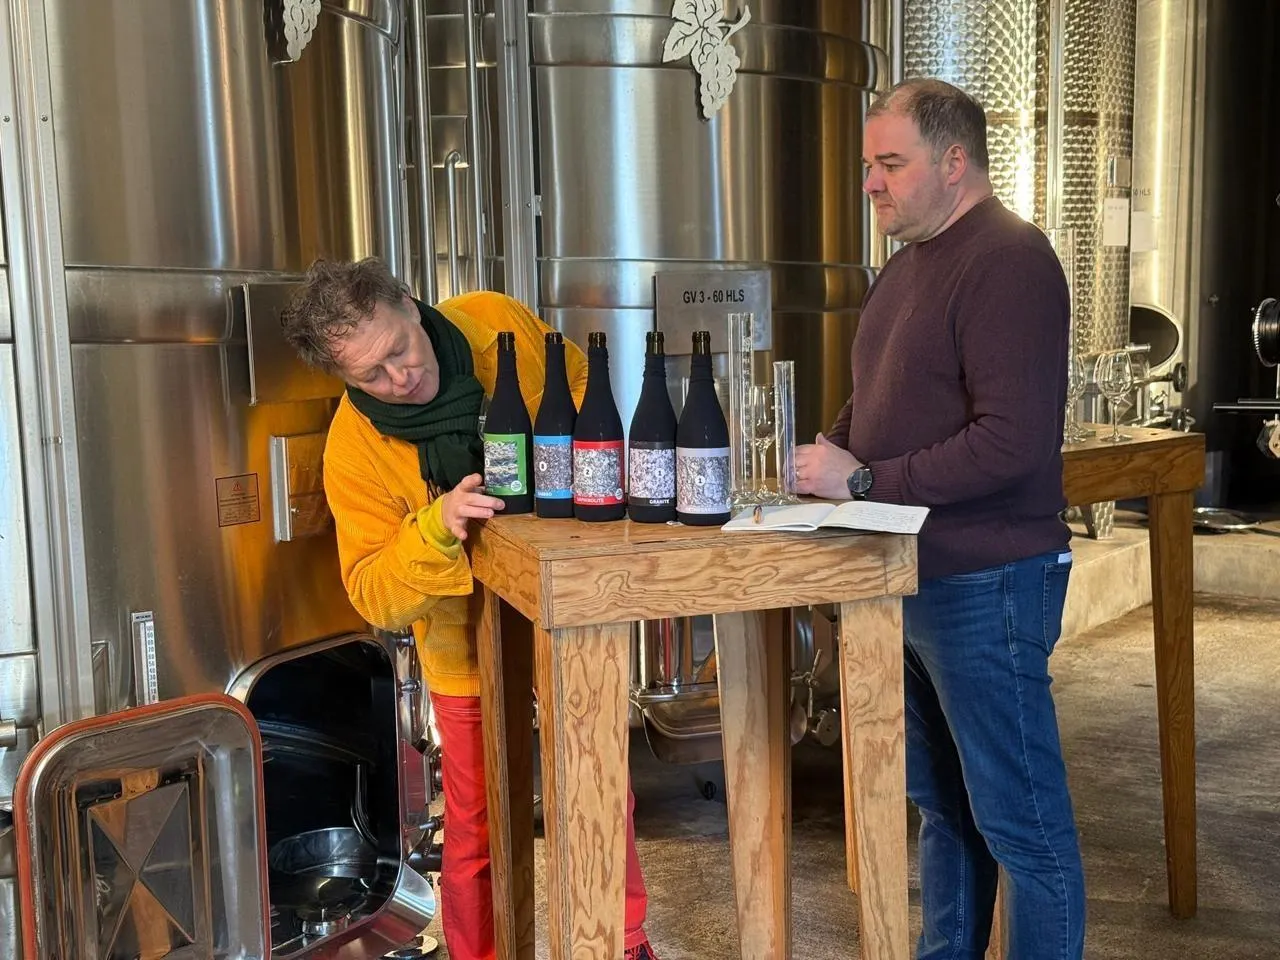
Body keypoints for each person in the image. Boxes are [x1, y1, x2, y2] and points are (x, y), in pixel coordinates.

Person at [281, 257, 660, 960]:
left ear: (409, 301)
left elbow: (580, 384)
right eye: (371, 375)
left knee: (603, 788)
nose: (399, 378)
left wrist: (558, 461)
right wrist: (434, 528)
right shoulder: (353, 449)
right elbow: (373, 593)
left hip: (564, 614)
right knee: (478, 822)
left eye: (399, 349)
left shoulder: (493, 323)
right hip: (462, 645)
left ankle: (624, 942)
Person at [794, 78, 1084, 959]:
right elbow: (876, 399)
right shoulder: (908, 264)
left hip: (987, 581)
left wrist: (863, 480)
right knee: (947, 814)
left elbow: (1012, 443)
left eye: (891, 163)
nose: (870, 183)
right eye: (869, 165)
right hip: (911, 576)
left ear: (955, 162)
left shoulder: (1010, 262)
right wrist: (824, 459)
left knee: (1023, 830)